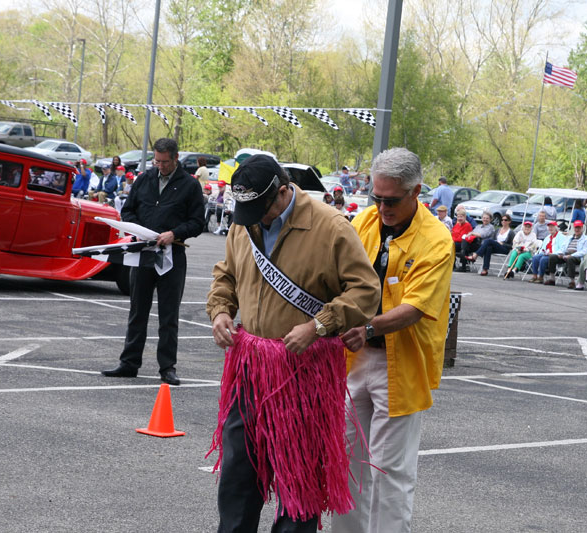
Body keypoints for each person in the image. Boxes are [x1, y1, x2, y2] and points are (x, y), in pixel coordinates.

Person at [207, 154, 381, 532]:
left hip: (305, 371)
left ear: (284, 191)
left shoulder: (331, 226)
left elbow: (366, 292)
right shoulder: (246, 222)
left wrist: (319, 325)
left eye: (261, 209)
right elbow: (226, 275)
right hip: (251, 366)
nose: (254, 218)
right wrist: (221, 310)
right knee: (239, 471)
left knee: (298, 479)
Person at [331, 147, 453, 533]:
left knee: (390, 471)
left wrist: (366, 329)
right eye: (377, 198)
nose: (383, 208)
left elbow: (416, 307)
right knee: (345, 462)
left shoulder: (436, 240)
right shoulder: (364, 222)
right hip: (354, 358)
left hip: (399, 366)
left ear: (416, 192)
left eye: (392, 200)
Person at [101, 138, 204, 385]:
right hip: (144, 253)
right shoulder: (145, 179)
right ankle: (129, 363)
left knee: (169, 315)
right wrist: (135, 229)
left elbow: (198, 222)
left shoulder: (190, 185)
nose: (160, 166)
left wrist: (175, 233)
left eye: (165, 162)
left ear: (176, 158)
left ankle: (167, 367)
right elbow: (127, 210)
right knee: (138, 311)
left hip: (172, 256)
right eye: (157, 161)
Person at [544, 220, 587, 288]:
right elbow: (563, 248)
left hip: (577, 256)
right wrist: (560, 253)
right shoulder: (569, 238)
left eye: (579, 228)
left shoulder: (586, 239)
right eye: (576, 228)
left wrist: (571, 255)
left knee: (570, 259)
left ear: (582, 228)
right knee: (552, 257)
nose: (577, 229)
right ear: (573, 228)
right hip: (566, 255)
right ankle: (552, 278)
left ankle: (572, 281)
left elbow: (584, 251)